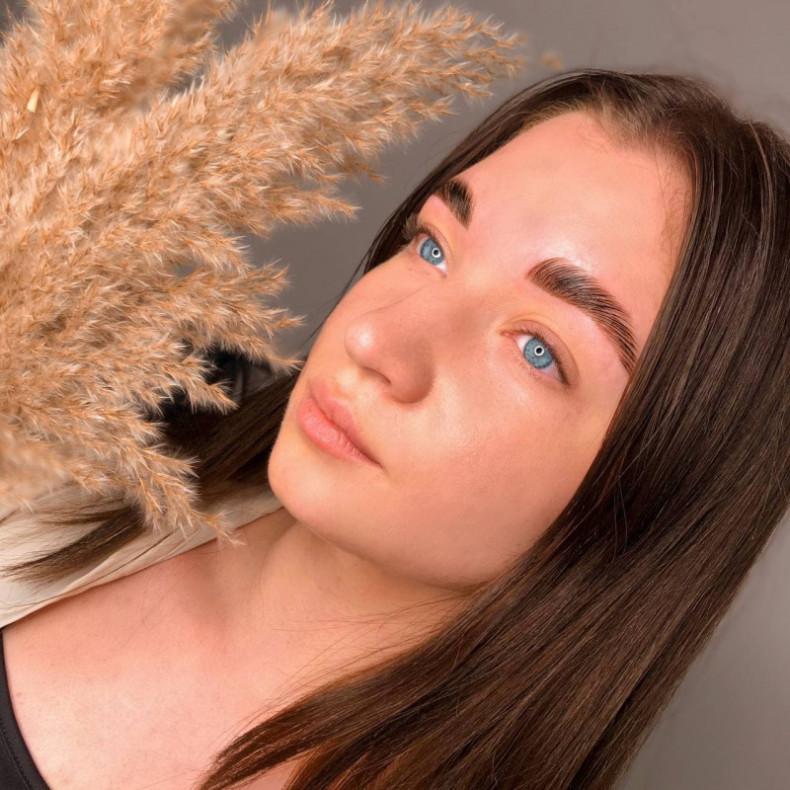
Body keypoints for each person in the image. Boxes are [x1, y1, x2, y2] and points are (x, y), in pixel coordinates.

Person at [1, 66, 789, 790]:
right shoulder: (129, 392)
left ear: (650, 499)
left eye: (538, 350)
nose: (375, 340)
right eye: (434, 246)